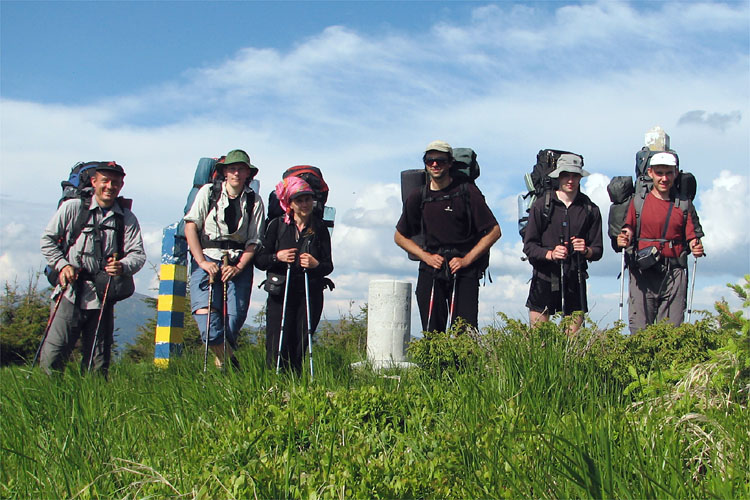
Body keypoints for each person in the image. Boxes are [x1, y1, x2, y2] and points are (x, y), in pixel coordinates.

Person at [40, 162, 146, 375]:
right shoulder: (73, 208)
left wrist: (122, 266)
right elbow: (47, 240)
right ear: (94, 181)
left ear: (121, 185)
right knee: (54, 355)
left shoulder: (126, 218)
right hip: (70, 291)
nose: (110, 186)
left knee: (98, 363)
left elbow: (138, 255)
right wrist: (63, 266)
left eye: (115, 182)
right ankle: (48, 401)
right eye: (105, 181)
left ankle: (93, 401)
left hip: (104, 293)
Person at [395, 140, 501, 332]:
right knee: (432, 331)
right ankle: (433, 364)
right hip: (431, 269)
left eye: (440, 160)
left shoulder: (467, 192)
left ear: (450, 163)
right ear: (425, 164)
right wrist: (426, 257)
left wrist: (467, 260)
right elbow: (400, 236)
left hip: (464, 271)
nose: (435, 164)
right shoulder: (419, 196)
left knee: (465, 332)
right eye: (430, 160)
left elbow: (494, 231)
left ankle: (464, 364)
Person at [184, 149, 265, 369]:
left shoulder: (254, 200)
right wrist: (201, 261)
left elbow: (254, 241)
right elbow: (191, 226)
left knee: (234, 321)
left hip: (239, 263)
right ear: (224, 172)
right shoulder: (208, 193)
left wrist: (238, 268)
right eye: (232, 168)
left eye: (241, 169)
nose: (236, 173)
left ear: (248, 173)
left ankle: (223, 372)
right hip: (207, 258)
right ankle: (233, 364)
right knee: (208, 321)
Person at [617, 151, 704, 334]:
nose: (664, 178)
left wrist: (695, 245)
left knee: (672, 333)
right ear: (650, 173)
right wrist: (624, 236)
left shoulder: (683, 204)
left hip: (674, 272)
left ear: (676, 173)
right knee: (640, 329)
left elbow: (691, 236)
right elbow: (629, 227)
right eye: (659, 173)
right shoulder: (638, 202)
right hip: (642, 271)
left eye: (669, 173)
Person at [255, 176, 333, 373]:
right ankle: (274, 382)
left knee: (300, 343)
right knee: (276, 343)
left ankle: (294, 385)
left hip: (310, 292)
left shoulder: (320, 228)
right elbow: (260, 260)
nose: (305, 204)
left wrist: (315, 265)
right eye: (299, 200)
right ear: (289, 203)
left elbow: (328, 265)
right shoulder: (276, 226)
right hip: (281, 292)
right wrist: (277, 257)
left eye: (307, 199)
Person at [522, 153, 603, 333]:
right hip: (544, 277)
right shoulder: (541, 205)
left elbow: (598, 250)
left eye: (575, 175)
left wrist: (587, 250)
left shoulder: (591, 209)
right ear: (558, 176)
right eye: (566, 175)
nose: (570, 180)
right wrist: (549, 254)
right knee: (539, 340)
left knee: (571, 344)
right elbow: (529, 246)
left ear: (580, 177)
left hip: (576, 277)